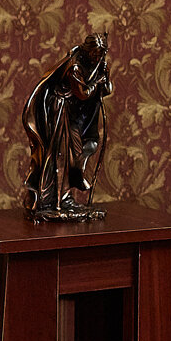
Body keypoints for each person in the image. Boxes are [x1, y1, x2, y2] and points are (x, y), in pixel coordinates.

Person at [22, 32, 112, 220]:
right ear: (88, 50)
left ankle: (63, 197)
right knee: (60, 154)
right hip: (60, 112)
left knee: (76, 152)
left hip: (74, 114)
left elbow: (106, 90)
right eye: (95, 53)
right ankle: (51, 200)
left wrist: (105, 75)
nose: (97, 57)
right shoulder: (75, 67)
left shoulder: (94, 64)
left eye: (100, 53)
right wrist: (97, 81)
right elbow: (83, 93)